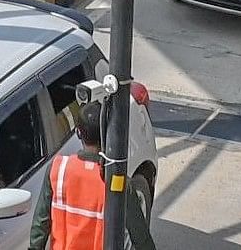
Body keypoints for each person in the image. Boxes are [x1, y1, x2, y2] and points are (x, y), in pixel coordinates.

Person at [25, 95, 155, 250]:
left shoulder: (58, 169)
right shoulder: (116, 182)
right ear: (107, 134)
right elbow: (141, 237)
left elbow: (40, 225)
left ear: (78, 133)